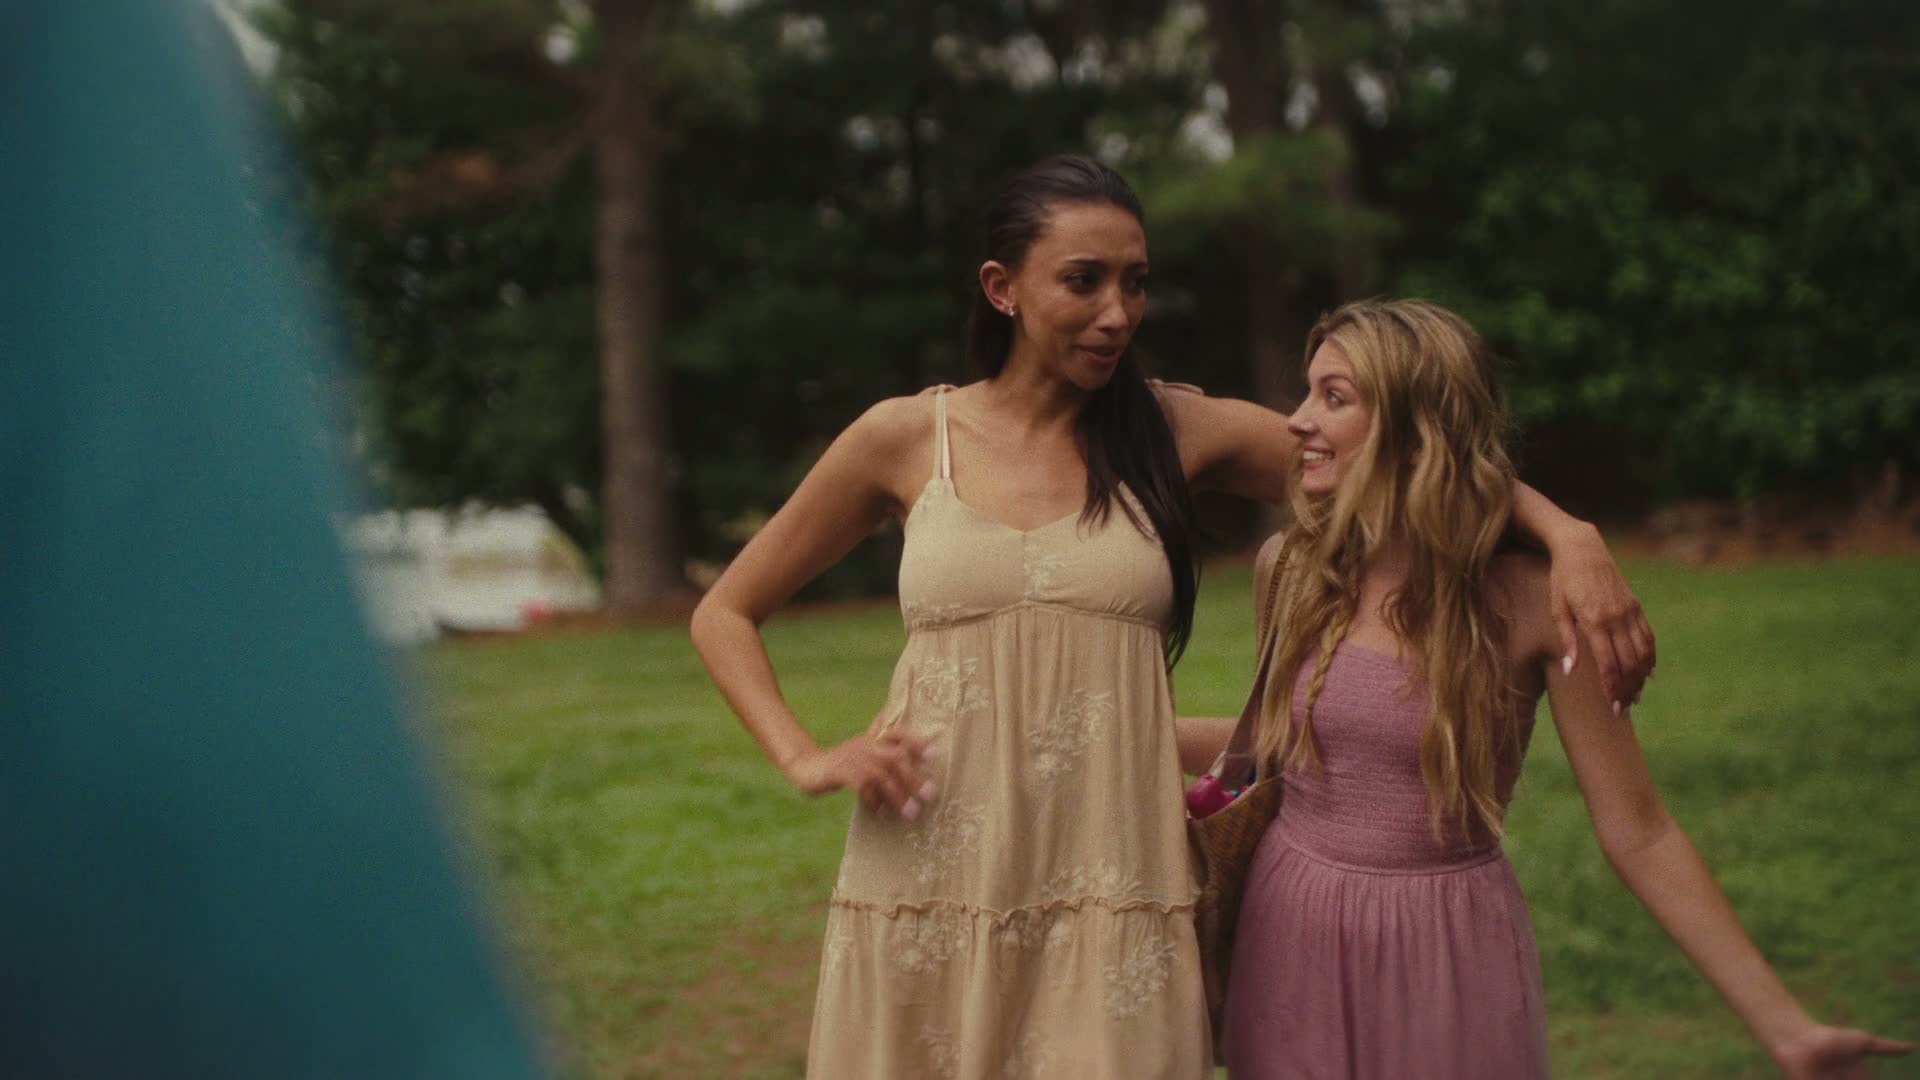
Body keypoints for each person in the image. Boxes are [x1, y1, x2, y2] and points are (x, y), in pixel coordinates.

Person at [689, 157, 1650, 1077]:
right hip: (929, 867)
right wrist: (808, 757)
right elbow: (726, 611)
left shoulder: (1173, 428)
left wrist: (1567, 534)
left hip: (1116, 881)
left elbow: (1405, 455)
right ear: (1002, 288)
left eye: (1136, 283)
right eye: (1084, 280)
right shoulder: (904, 436)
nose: (1118, 312)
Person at [1194, 298, 1913, 1078]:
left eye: (1333, 397)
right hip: (1289, 932)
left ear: (1417, 432)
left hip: (1441, 947)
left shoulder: (1537, 605)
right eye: (1307, 392)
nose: (1297, 420)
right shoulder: (1293, 571)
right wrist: (1114, 732)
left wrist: (1787, 1027)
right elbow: (1279, 747)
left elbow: (1640, 830)